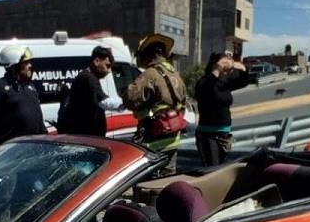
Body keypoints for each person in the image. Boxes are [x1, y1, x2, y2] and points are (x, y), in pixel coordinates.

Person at [125, 33, 188, 173]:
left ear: (148, 55)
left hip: (154, 140)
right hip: (173, 138)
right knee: (167, 179)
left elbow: (130, 99)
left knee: (149, 183)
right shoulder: (175, 74)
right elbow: (183, 101)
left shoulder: (151, 74)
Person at [0, 44, 46, 152]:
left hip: (35, 149)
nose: (30, 66)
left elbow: (39, 119)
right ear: (15, 65)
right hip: (11, 152)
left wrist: (45, 140)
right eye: (26, 63)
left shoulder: (30, 87)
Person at [194, 51, 250, 166]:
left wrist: (238, 66)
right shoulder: (204, 82)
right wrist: (218, 68)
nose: (227, 70)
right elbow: (205, 86)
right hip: (208, 135)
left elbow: (244, 81)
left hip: (224, 134)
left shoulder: (224, 84)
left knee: (221, 169)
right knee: (212, 170)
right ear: (214, 65)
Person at [56, 44, 122, 136]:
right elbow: (104, 102)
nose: (109, 71)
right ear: (96, 61)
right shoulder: (89, 78)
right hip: (85, 137)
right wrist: (127, 103)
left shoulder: (88, 77)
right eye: (107, 66)